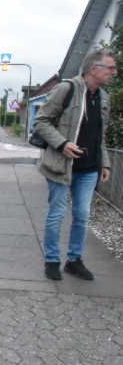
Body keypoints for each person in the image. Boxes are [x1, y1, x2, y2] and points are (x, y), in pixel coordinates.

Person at [34, 49, 115, 281]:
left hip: (89, 168)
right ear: (94, 69)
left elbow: (100, 136)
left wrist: (105, 164)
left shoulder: (104, 98)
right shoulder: (66, 89)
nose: (114, 72)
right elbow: (41, 121)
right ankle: (52, 261)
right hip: (61, 164)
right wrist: (62, 144)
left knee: (82, 214)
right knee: (57, 213)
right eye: (110, 68)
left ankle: (74, 260)